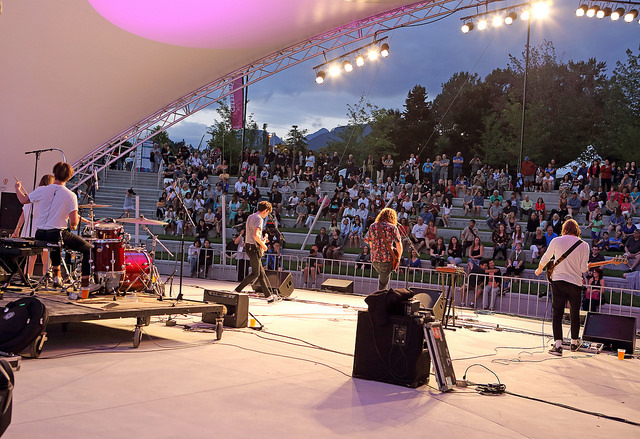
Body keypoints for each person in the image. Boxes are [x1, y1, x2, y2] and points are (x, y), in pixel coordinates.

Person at [14, 162, 92, 297]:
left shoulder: (42, 189)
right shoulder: (70, 195)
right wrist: (73, 223)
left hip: (40, 234)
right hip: (56, 234)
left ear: (54, 173)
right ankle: (85, 286)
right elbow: (73, 222)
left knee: (56, 243)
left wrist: (17, 188)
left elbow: (23, 200)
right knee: (88, 249)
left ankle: (57, 277)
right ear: (69, 177)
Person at [535, 219, 590, 356]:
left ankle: (558, 345)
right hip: (575, 283)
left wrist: (539, 269)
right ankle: (574, 342)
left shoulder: (556, 241)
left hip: (558, 281)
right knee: (574, 313)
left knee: (557, 313)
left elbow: (546, 257)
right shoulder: (584, 245)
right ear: (577, 230)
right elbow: (583, 268)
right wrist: (586, 266)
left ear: (564, 229)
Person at [234, 201, 280, 303]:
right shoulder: (259, 219)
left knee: (261, 273)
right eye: (268, 213)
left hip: (249, 246)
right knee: (255, 273)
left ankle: (268, 296)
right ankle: (237, 290)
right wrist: (263, 245)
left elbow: (252, 234)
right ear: (266, 210)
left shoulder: (251, 216)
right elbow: (255, 235)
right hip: (254, 248)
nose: (267, 215)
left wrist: (262, 240)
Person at [11, 174, 54, 279]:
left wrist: (17, 230)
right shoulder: (48, 197)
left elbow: (22, 217)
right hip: (42, 229)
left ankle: (27, 276)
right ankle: (46, 277)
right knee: (46, 255)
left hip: (30, 230)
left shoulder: (32, 195)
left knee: (31, 256)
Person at [364, 207, 403, 291]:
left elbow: (370, 242)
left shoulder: (372, 226)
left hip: (374, 258)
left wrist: (375, 250)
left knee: (382, 279)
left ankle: (380, 299)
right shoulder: (392, 227)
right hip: (386, 259)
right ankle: (380, 301)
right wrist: (398, 258)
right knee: (383, 285)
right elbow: (398, 244)